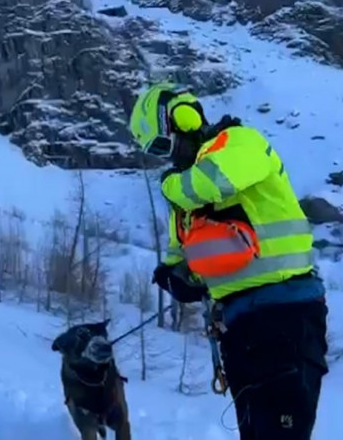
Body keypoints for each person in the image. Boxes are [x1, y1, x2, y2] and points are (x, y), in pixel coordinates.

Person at [129, 82, 327, 440]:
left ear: (183, 119)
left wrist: (168, 188)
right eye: (156, 152)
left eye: (163, 144)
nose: (166, 157)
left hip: (287, 315)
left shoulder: (239, 143)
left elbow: (214, 182)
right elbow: (182, 255)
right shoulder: (185, 200)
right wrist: (175, 274)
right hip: (240, 329)